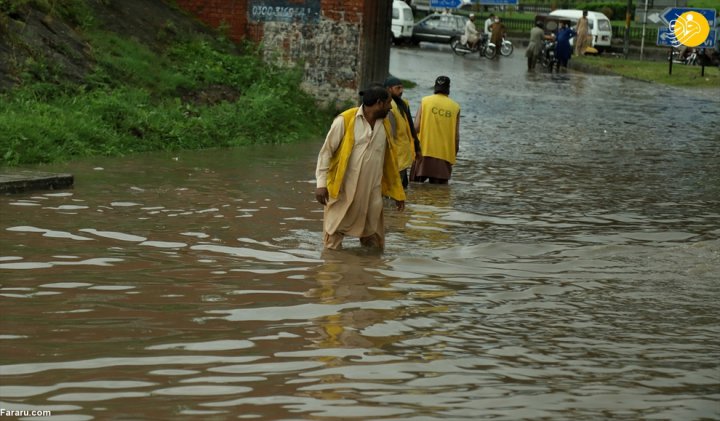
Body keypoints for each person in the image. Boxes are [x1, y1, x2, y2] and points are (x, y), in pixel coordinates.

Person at [315, 84, 406, 250]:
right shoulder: (345, 120)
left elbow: (390, 163)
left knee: (374, 244)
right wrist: (321, 184)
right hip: (344, 190)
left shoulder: (385, 125)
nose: (390, 108)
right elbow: (326, 153)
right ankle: (332, 270)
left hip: (372, 191)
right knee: (332, 239)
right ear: (379, 103)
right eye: (388, 104)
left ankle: (368, 271)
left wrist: (397, 192)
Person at [411, 76, 460, 185]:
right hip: (445, 155)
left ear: (435, 87)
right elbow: (456, 136)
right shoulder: (455, 107)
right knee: (440, 194)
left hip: (424, 152)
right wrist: (454, 153)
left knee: (415, 188)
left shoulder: (425, 101)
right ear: (448, 88)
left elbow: (416, 127)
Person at [384, 76, 422, 189]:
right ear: (389, 89)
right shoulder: (389, 108)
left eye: (402, 88)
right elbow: (390, 135)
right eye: (398, 88)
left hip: (404, 155)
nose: (401, 91)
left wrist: (417, 148)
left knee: (402, 187)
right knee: (396, 189)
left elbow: (410, 126)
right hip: (396, 157)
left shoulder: (403, 104)